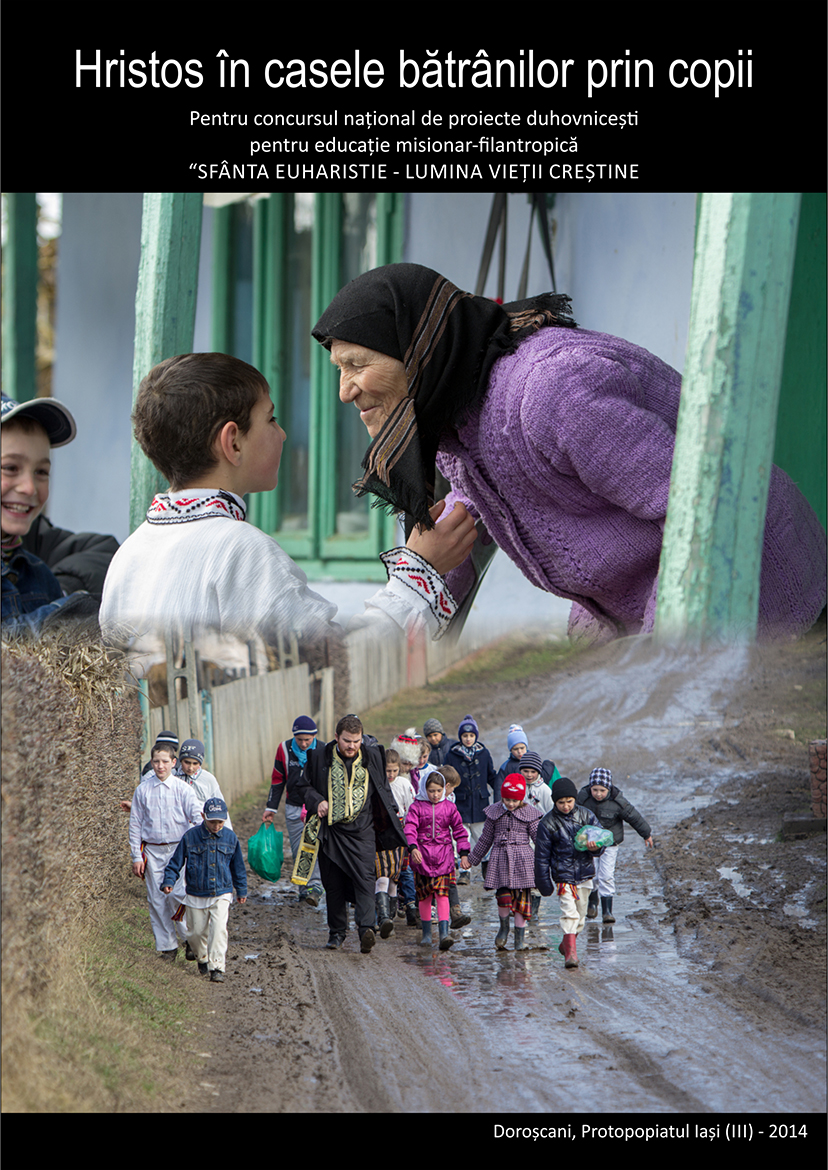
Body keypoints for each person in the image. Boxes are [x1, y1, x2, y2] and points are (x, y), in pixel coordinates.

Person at [312, 262, 826, 644]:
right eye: (339, 369)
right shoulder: (456, 423)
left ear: (419, 349)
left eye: (356, 364)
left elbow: (707, 515)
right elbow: (470, 517)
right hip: (637, 608)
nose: (345, 390)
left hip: (761, 590)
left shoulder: (553, 393)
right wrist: (413, 598)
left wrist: (653, 661)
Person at [100, 353, 477, 658]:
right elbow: (339, 667)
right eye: (270, 418)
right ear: (232, 442)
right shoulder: (238, 551)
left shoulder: (129, 555)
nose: (281, 433)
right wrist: (419, 571)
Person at [291, 714, 407, 954]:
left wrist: (394, 814)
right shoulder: (319, 757)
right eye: (347, 741)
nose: (352, 746)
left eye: (356, 741)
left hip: (363, 830)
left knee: (365, 879)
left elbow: (383, 790)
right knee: (332, 884)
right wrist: (318, 801)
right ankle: (336, 933)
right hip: (330, 831)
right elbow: (302, 787)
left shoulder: (373, 756)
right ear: (336, 738)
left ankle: (366, 929)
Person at [1, 392, 100, 634]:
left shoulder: (39, 574)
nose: (29, 487)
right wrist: (66, 613)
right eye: (10, 468)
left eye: (41, 472)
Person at [128, 741, 203, 959]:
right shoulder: (142, 790)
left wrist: (196, 846)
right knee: (157, 899)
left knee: (179, 895)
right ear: (151, 763)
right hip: (152, 851)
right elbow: (135, 825)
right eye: (156, 762)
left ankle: (189, 938)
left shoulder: (183, 790)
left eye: (164, 762)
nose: (160, 766)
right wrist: (136, 856)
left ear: (173, 763)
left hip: (178, 851)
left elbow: (197, 819)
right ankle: (167, 946)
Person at [162, 797, 247, 983]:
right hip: (195, 893)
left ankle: (217, 967)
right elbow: (175, 863)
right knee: (195, 933)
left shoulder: (231, 838)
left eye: (220, 822)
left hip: (222, 892)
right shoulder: (190, 837)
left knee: (218, 930)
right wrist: (169, 880)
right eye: (212, 821)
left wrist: (241, 890)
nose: (216, 826)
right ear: (203, 817)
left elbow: (238, 867)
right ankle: (202, 958)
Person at [463, 773, 542, 951]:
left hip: (523, 860)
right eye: (506, 799)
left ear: (521, 798)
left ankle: (520, 937)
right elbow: (485, 839)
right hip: (500, 859)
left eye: (514, 800)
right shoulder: (494, 812)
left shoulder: (530, 814)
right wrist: (472, 859)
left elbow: (539, 840)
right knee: (503, 897)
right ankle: (504, 927)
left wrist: (548, 860)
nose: (510, 804)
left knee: (522, 900)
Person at [534, 776, 605, 969]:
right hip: (563, 876)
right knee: (569, 913)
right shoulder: (547, 823)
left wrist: (594, 848)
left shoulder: (587, 816)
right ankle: (571, 955)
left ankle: (567, 944)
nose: (566, 806)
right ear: (554, 802)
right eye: (561, 802)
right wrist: (543, 881)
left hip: (585, 873)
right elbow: (541, 856)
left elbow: (601, 840)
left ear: (575, 799)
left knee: (581, 916)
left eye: (569, 801)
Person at [577, 767, 654, 923]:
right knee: (591, 874)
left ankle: (607, 911)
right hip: (589, 844)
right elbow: (571, 817)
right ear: (590, 787)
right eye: (595, 789)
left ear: (609, 788)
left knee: (605, 875)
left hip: (609, 844)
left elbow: (634, 816)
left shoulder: (618, 801)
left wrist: (646, 833)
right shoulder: (583, 799)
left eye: (602, 790)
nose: (598, 794)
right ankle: (592, 903)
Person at [405, 769, 471, 951]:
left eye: (438, 791)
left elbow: (459, 831)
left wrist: (464, 852)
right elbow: (409, 827)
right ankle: (427, 934)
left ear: (444, 789)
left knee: (442, 895)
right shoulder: (416, 807)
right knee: (425, 897)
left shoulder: (450, 807)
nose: (435, 795)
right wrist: (413, 847)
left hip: (444, 857)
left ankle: (444, 933)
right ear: (425, 789)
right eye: (431, 791)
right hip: (422, 858)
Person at [262, 715, 323, 907]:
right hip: (293, 807)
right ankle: (303, 889)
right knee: (298, 849)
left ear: (314, 736)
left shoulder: (323, 749)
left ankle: (315, 887)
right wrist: (271, 807)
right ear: (294, 736)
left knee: (314, 846)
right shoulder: (283, 749)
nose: (304, 744)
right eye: (300, 740)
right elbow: (278, 779)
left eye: (308, 740)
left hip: (316, 808)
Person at [446, 715, 496, 883]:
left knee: (483, 836)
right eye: (465, 736)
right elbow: (446, 777)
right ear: (460, 736)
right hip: (461, 803)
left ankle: (487, 867)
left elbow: (491, 776)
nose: (468, 739)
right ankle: (464, 871)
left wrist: (501, 790)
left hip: (480, 803)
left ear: (476, 736)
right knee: (461, 837)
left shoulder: (483, 753)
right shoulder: (452, 755)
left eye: (471, 736)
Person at [494, 724, 530, 801]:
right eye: (515, 749)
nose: (519, 752)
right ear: (510, 750)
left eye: (522, 748)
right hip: (512, 803)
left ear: (526, 747)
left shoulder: (533, 762)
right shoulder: (506, 767)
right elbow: (498, 790)